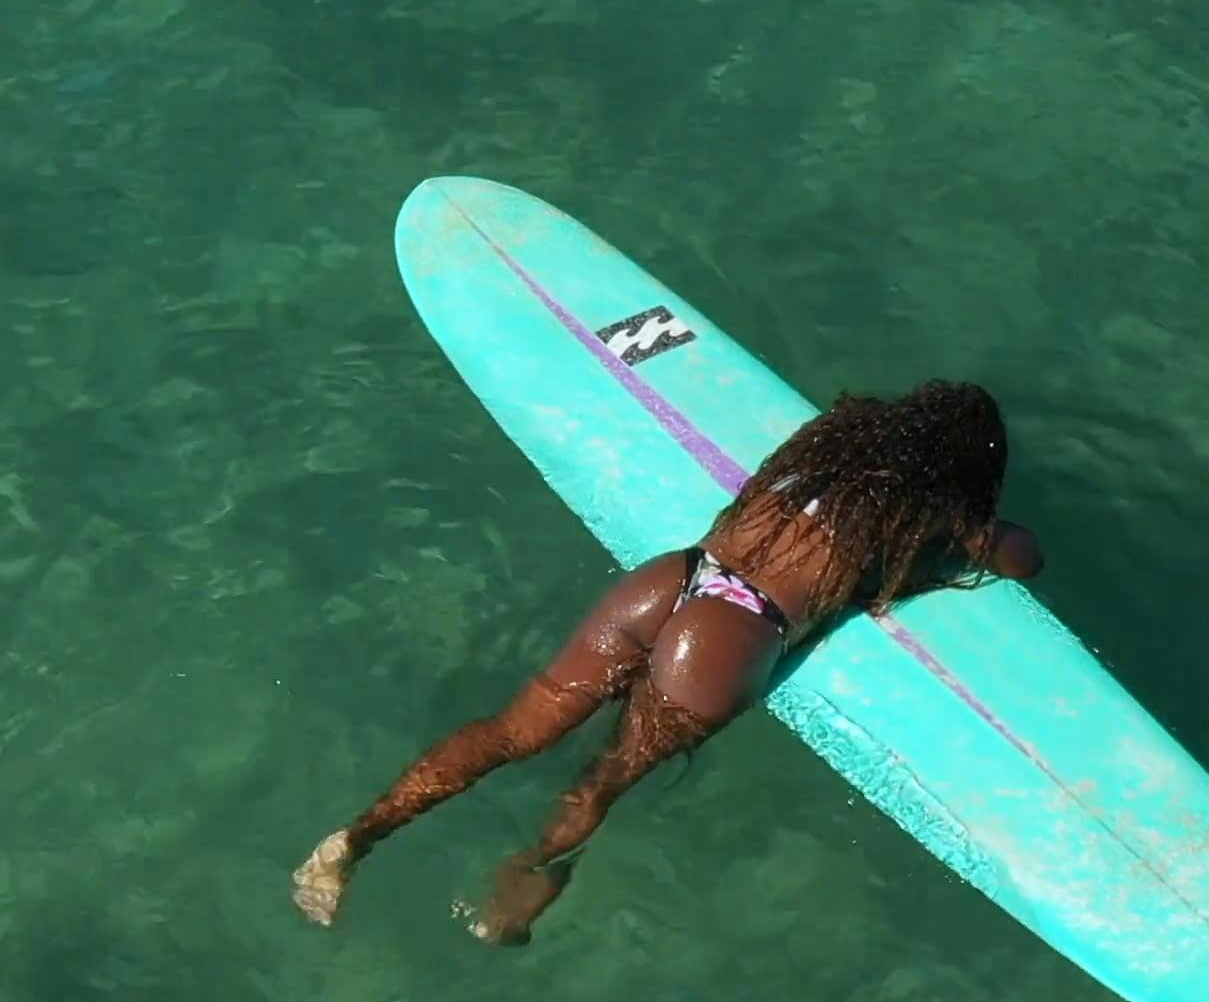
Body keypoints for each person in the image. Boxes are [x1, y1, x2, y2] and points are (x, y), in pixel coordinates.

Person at [293, 379, 1046, 944]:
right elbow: (1022, 558)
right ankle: (511, 896)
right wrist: (971, 519)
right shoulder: (924, 510)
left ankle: (352, 841)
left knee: (513, 732)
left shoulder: (822, 449)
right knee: (606, 779)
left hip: (675, 577)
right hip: (735, 634)